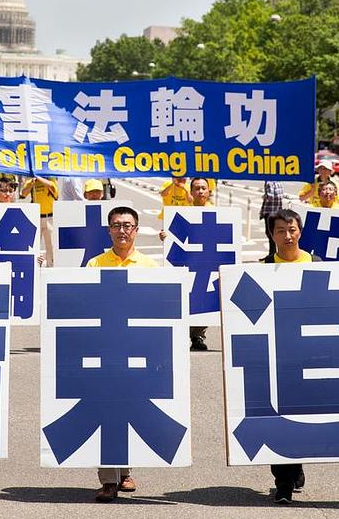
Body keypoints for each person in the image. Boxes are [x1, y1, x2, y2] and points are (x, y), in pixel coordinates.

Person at [86, 206, 158, 502]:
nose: (122, 230)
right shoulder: (95, 264)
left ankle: (125, 471)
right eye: (116, 225)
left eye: (128, 225)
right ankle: (108, 480)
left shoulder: (151, 267)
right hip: (104, 348)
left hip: (136, 349)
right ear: (109, 230)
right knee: (105, 409)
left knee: (129, 409)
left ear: (137, 230)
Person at [260, 208, 321, 504]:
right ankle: (282, 481)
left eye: (292, 229)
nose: (287, 235)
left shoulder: (317, 265)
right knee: (277, 416)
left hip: (309, 353)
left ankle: (295, 465)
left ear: (300, 232)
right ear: (272, 235)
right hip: (275, 355)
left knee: (303, 415)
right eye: (280, 230)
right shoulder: (260, 268)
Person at [158, 177, 215, 351]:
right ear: (190, 193)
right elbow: (175, 236)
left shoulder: (217, 213)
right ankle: (183, 332)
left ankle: (198, 336)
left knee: (204, 298)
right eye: (196, 188)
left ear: (209, 191)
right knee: (187, 297)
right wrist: (165, 237)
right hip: (187, 260)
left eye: (203, 188)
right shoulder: (183, 212)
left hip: (206, 261)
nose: (200, 191)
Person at [20, 175, 59, 266]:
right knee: (34, 244)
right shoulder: (31, 181)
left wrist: (39, 178)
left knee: (51, 246)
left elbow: (52, 187)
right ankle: (35, 266)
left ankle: (51, 266)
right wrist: (32, 183)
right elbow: (23, 194)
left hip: (50, 217)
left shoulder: (51, 179)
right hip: (36, 217)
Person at [260, 181, 284, 259]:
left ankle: (272, 254)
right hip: (278, 210)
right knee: (274, 233)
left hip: (269, 211)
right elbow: (280, 196)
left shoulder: (268, 183)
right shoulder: (279, 183)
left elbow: (270, 196)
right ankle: (273, 253)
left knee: (270, 233)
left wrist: (264, 197)